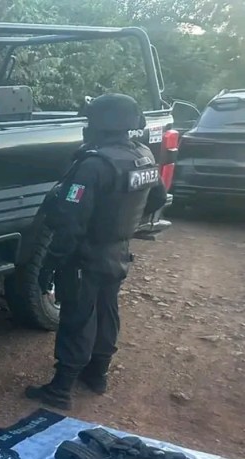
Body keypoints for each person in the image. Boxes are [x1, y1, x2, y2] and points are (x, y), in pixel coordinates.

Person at [26, 93, 168, 410]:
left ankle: (61, 388)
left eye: (89, 121)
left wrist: (52, 262)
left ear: (101, 124)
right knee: (107, 311)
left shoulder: (93, 165)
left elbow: (70, 222)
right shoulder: (142, 155)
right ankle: (97, 374)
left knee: (77, 317)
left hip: (85, 255)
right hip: (117, 250)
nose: (85, 128)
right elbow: (157, 197)